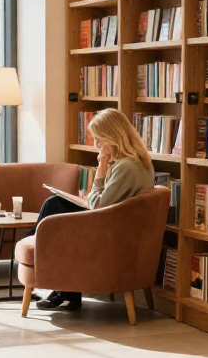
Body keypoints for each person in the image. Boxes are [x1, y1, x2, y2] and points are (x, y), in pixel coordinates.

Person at [32, 108, 156, 311]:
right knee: (55, 205)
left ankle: (47, 273)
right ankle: (63, 290)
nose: (96, 145)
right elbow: (105, 202)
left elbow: (98, 205)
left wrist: (100, 170)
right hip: (116, 224)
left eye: (99, 139)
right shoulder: (137, 162)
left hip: (113, 233)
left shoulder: (126, 167)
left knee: (55, 206)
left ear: (113, 137)